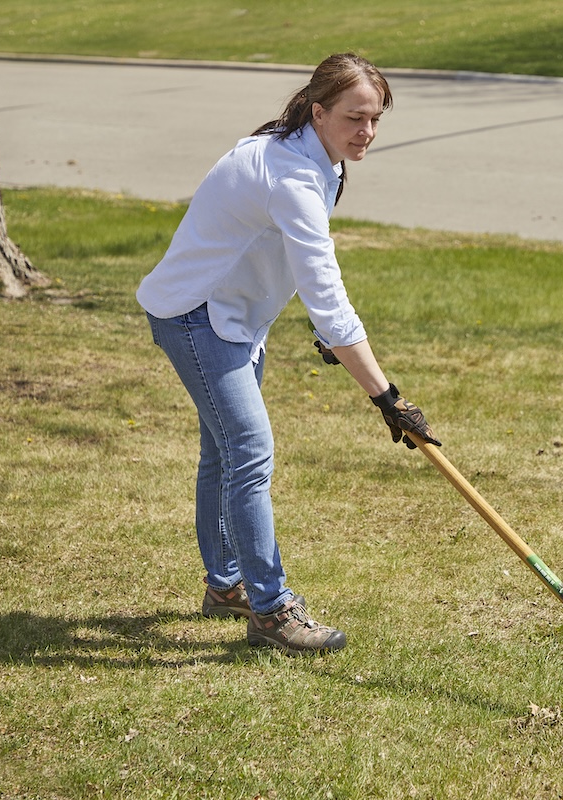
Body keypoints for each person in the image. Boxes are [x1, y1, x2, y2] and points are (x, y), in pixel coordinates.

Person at [136, 53, 440, 656]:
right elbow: (327, 291)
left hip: (234, 317)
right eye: (355, 117)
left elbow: (287, 260)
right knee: (247, 450)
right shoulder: (291, 174)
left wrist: (329, 336)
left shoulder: (311, 157)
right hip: (196, 315)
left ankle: (225, 587)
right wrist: (387, 396)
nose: (367, 132)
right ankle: (271, 612)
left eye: (376, 118)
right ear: (318, 110)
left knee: (223, 452)